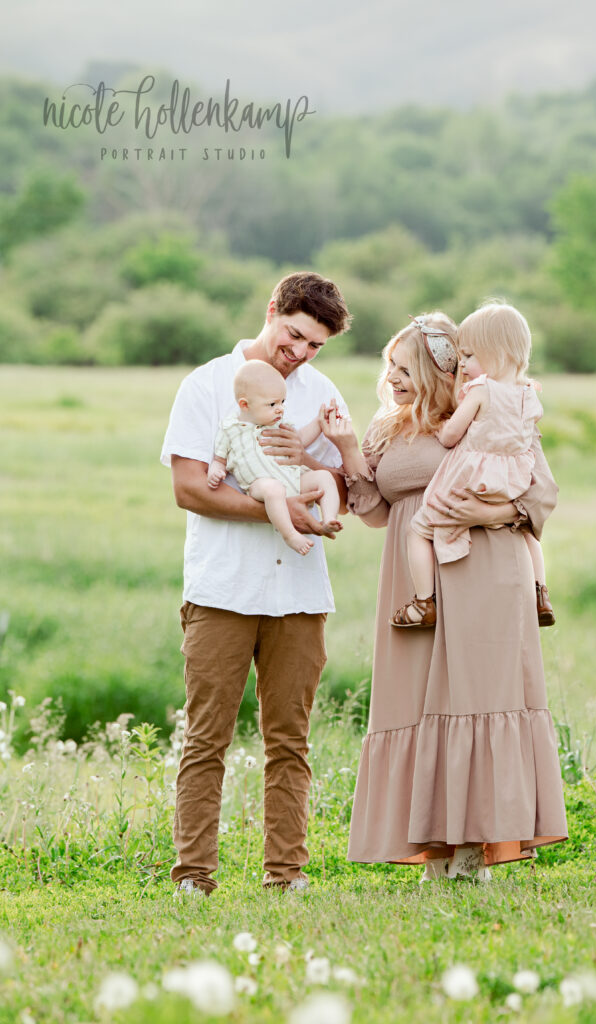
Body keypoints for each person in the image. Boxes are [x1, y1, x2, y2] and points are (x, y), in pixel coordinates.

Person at [320, 311, 567, 882]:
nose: (394, 377)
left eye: (404, 367)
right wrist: (349, 448)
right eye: (389, 366)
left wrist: (493, 510)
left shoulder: (481, 411)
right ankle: (435, 846)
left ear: (438, 368)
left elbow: (540, 491)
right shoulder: (390, 427)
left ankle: (473, 851)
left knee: (477, 699)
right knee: (413, 705)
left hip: (486, 570)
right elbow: (379, 515)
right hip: (414, 579)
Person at [160, 271, 351, 895]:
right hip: (221, 589)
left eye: (314, 346)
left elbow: (341, 481)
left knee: (290, 741)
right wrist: (277, 511)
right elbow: (189, 487)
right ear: (272, 311)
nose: (299, 354)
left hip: (299, 592)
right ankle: (194, 876)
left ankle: (286, 874)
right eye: (294, 336)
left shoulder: (321, 392)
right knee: (206, 735)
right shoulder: (206, 384)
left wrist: (321, 477)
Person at [392, 303, 555, 629]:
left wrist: (441, 429)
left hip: (474, 479)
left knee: (419, 529)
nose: (462, 364)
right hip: (511, 480)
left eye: (468, 356)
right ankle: (540, 592)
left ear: (497, 355)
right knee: (530, 538)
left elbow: (452, 436)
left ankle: (424, 602)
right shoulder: (529, 394)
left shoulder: (479, 391)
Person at [207, 359, 342, 555]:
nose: (280, 409)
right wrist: (215, 471)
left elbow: (300, 441)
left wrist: (319, 423)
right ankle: (290, 534)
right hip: (260, 485)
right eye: (272, 404)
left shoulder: (279, 424)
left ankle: (329, 518)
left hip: (293, 478)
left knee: (323, 477)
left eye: (282, 402)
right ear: (245, 404)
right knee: (273, 489)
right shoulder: (230, 429)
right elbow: (219, 459)